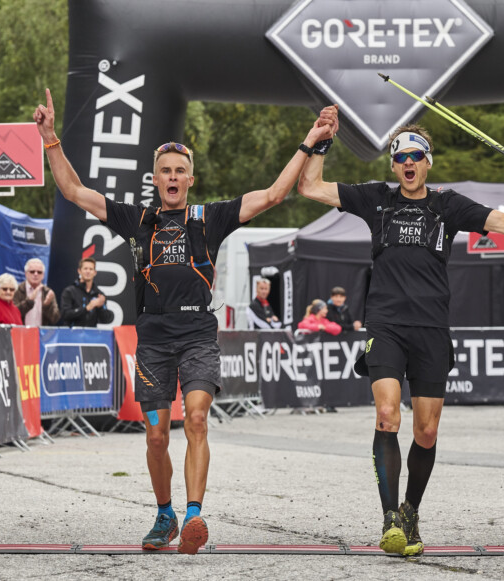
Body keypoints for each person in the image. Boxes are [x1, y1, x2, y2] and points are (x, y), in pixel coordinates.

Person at [33, 87, 334, 554]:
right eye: (165, 171)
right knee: (156, 436)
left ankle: (194, 515)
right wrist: (51, 137)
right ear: (154, 179)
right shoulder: (137, 219)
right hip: (152, 338)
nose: (172, 177)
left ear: (190, 179)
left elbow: (275, 194)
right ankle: (164, 514)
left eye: (180, 171)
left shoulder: (209, 218)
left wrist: (310, 142)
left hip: (197, 335)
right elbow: (74, 191)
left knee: (196, 419)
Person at [298, 105, 504, 556]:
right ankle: (390, 517)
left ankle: (410, 511)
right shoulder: (376, 199)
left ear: (428, 162)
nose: (408, 163)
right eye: (400, 157)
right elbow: (309, 186)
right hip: (386, 325)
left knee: (426, 432)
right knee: (388, 415)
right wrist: (321, 141)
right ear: (393, 165)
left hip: (431, 328)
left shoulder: (448, 205)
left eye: (416, 156)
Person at [59, 257, 114, 328]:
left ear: (95, 273)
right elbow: (65, 314)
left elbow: (106, 320)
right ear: (79, 271)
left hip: (90, 333)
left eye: (91, 269)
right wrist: (87, 308)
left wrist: (100, 307)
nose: (88, 271)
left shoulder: (99, 294)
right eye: (85, 268)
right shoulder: (69, 291)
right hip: (71, 333)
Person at [14, 258, 60, 327]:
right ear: (26, 273)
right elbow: (13, 314)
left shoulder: (48, 292)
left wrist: (47, 306)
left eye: (39, 272)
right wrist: (29, 302)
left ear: (43, 275)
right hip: (21, 332)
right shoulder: (17, 290)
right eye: (32, 272)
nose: (36, 274)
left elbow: (55, 319)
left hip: (41, 333)